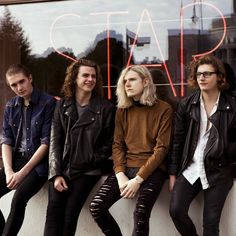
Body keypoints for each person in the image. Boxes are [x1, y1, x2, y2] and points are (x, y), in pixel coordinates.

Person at [90, 65, 173, 236]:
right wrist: (120, 175)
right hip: (127, 167)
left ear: (145, 81)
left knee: (140, 213)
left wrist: (138, 180)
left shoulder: (164, 109)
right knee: (97, 206)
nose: (127, 84)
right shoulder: (122, 110)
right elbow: (118, 144)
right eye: (125, 81)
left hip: (153, 170)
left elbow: (162, 149)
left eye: (132, 80)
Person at [43, 58, 115, 236]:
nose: (90, 79)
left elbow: (111, 142)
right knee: (53, 214)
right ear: (75, 78)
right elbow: (55, 141)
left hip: (87, 171)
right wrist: (56, 174)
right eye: (85, 75)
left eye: (93, 76)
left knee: (69, 216)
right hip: (63, 168)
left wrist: (91, 158)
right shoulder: (62, 105)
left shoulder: (105, 108)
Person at [168, 54, 236, 236]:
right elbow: (177, 141)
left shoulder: (232, 106)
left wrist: (228, 159)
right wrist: (173, 173)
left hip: (219, 170)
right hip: (191, 167)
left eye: (207, 74)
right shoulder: (187, 105)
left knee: (211, 224)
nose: (202, 78)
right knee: (176, 211)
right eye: (199, 74)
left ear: (220, 77)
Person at [0, 64, 56, 236]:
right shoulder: (11, 106)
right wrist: (9, 171)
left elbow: (46, 143)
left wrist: (22, 173)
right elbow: (6, 140)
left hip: (39, 165)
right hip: (16, 160)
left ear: (30, 78)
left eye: (21, 82)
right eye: (14, 85)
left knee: (18, 200)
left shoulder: (48, 103)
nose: (19, 88)